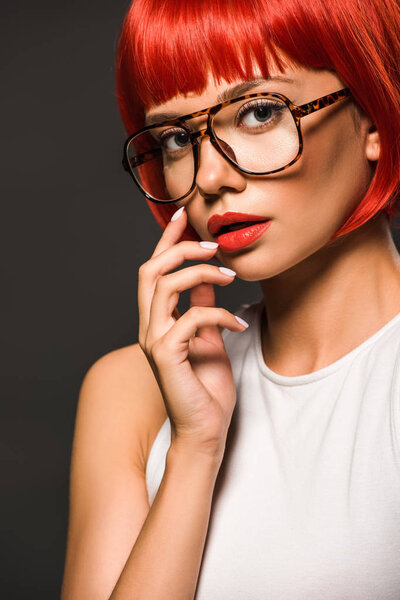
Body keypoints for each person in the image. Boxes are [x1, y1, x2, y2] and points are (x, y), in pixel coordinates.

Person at [61, 0, 400, 598]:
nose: (211, 175)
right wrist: (195, 450)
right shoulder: (129, 393)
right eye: (175, 138)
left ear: (375, 114)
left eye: (260, 112)